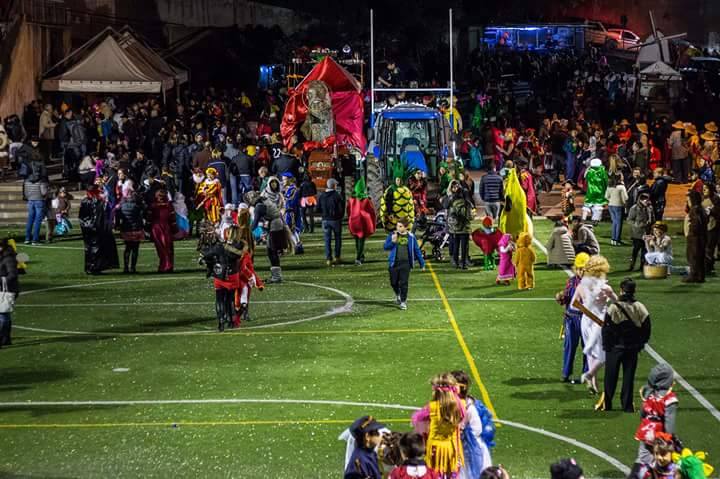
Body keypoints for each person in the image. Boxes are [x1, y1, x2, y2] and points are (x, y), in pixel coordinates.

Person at [600, 278, 651, 412]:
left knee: (610, 377)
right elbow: (647, 327)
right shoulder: (640, 306)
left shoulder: (613, 307)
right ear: (634, 291)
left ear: (621, 290)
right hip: (632, 347)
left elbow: (606, 329)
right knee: (628, 378)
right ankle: (627, 406)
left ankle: (608, 404)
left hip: (615, 348)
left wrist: (606, 346)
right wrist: (641, 343)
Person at [571, 255, 616, 397]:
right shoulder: (606, 287)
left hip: (586, 320)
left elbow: (573, 305)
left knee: (591, 353)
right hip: (600, 321)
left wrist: (587, 308)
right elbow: (618, 303)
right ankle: (590, 375)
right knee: (605, 355)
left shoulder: (581, 286)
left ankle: (594, 383)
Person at [628, 363, 679, 479]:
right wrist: (670, 439)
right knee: (665, 462)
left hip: (646, 431)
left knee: (643, 459)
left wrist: (645, 424)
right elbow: (669, 422)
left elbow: (643, 412)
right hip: (660, 435)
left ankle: (635, 476)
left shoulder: (649, 393)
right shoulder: (670, 399)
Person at [412, 373, 465, 477]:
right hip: (453, 448)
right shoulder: (460, 404)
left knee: (435, 475)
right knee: (451, 474)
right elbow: (461, 420)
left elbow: (419, 422)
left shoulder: (431, 406)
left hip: (434, 450)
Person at [451, 370, 495, 479]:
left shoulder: (469, 408)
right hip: (459, 447)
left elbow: (477, 429)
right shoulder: (452, 404)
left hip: (471, 449)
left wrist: (461, 432)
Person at [556, 253, 589, 383]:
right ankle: (566, 373)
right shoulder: (571, 281)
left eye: (584, 269)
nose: (581, 271)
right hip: (571, 318)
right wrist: (560, 297)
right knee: (569, 345)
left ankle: (586, 374)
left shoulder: (593, 283)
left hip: (586, 319)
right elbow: (567, 298)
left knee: (587, 347)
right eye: (579, 268)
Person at [383, 217, 425, 310]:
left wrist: (422, 263)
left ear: (406, 227)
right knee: (393, 282)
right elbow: (385, 247)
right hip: (394, 263)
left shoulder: (411, 237)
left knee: (404, 283)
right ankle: (397, 293)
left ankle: (403, 301)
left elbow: (416, 250)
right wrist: (393, 242)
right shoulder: (392, 235)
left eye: (400, 226)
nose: (398, 228)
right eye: (397, 226)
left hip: (406, 264)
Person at [247, 190, 286, 284]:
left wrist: (246, 232)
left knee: (272, 251)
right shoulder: (264, 200)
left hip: (275, 226)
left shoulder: (259, 206)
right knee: (272, 251)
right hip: (276, 224)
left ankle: (276, 276)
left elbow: (255, 224)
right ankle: (276, 275)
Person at [79, 185, 119, 275]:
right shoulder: (90, 201)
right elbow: (84, 217)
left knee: (94, 248)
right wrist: (91, 226)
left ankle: (93, 267)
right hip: (93, 229)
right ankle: (93, 267)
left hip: (94, 228)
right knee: (93, 248)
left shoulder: (95, 201)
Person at [347, 177, 376, 266]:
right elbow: (372, 212)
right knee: (361, 241)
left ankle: (361, 255)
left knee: (356, 240)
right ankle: (358, 258)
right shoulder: (366, 200)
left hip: (353, 222)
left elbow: (348, 211)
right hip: (362, 223)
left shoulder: (351, 200)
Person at [116, 188, 145, 274]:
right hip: (136, 229)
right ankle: (133, 267)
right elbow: (142, 213)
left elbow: (119, 217)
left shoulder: (122, 206)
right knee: (135, 249)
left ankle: (125, 267)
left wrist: (118, 225)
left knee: (127, 249)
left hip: (126, 229)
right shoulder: (137, 206)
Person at [447, 180, 473, 270]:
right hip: (464, 227)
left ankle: (456, 262)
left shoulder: (451, 200)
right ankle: (463, 263)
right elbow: (469, 216)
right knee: (464, 246)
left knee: (456, 245)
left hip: (455, 227)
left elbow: (449, 211)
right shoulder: (466, 202)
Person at [148, 189, 176, 273]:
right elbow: (172, 219)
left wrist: (148, 229)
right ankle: (168, 265)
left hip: (156, 228)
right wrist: (175, 230)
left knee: (161, 248)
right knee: (168, 248)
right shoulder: (169, 206)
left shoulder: (153, 206)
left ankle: (164, 266)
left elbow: (149, 218)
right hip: (165, 227)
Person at [318, 178, 344, 266]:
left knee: (327, 240)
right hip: (335, 220)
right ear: (334, 186)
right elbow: (341, 209)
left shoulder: (322, 195)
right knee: (337, 239)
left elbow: (317, 208)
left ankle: (329, 258)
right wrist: (340, 216)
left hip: (325, 220)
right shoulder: (337, 195)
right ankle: (337, 257)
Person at [684, 190, 708, 283]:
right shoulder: (701, 208)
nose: (688, 202)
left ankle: (693, 275)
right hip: (702, 237)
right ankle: (700, 276)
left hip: (695, 238)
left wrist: (691, 231)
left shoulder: (694, 210)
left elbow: (696, 224)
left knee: (693, 256)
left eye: (688, 200)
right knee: (700, 257)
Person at [22, 161, 48, 245]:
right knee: (37, 221)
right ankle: (35, 240)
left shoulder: (26, 181)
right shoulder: (41, 180)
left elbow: (25, 193)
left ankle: (27, 238)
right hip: (39, 200)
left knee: (30, 220)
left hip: (30, 200)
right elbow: (44, 192)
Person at [628, 193, 655, 271]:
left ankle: (642, 266)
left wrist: (652, 227)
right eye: (645, 200)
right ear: (640, 200)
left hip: (647, 233)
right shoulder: (634, 208)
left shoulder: (650, 208)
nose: (647, 201)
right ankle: (631, 266)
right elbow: (629, 220)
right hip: (637, 234)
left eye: (647, 199)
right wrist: (638, 225)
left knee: (645, 251)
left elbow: (653, 218)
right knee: (635, 251)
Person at [0, 238, 19, 349]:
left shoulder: (9, 259)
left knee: (3, 315)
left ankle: (2, 338)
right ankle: (6, 338)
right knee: (4, 315)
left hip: (7, 290)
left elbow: (12, 275)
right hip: (3, 289)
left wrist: (1, 280)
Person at [582, 158, 608, 224]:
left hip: (590, 192)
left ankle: (583, 218)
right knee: (598, 206)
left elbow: (585, 180)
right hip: (600, 192)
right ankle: (595, 220)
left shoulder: (589, 171)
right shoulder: (603, 172)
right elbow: (606, 182)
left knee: (587, 205)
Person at [702, 182, 720, 274]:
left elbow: (717, 212)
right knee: (704, 246)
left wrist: (710, 211)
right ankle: (705, 265)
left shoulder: (716, 199)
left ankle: (709, 267)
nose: (704, 190)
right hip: (704, 226)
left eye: (706, 188)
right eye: (703, 188)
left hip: (713, 226)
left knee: (709, 247)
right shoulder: (703, 198)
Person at [605, 174, 628, 245]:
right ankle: (617, 239)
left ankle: (613, 239)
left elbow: (606, 196)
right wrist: (624, 203)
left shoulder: (609, 186)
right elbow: (626, 197)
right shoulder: (621, 187)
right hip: (618, 206)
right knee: (618, 223)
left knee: (614, 222)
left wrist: (611, 200)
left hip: (611, 205)